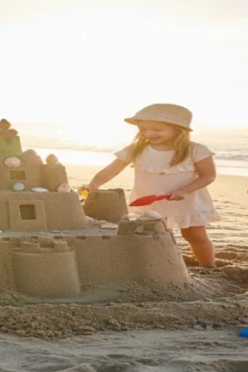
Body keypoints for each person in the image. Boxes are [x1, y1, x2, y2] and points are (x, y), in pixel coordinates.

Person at [85, 104, 220, 267]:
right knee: (160, 234)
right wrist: (94, 184)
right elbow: (111, 170)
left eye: (156, 129)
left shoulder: (195, 150)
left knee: (195, 235)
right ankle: (170, 265)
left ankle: (208, 267)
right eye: (143, 129)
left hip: (187, 200)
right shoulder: (137, 149)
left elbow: (208, 175)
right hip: (151, 202)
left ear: (179, 129)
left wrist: (185, 190)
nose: (148, 133)